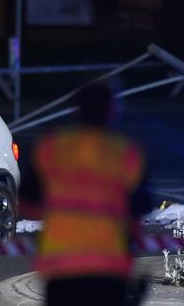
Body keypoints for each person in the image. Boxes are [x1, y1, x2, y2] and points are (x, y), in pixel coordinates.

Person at [32, 81, 152, 305]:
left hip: (61, 268)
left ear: (77, 109)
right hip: (108, 268)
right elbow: (139, 210)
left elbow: (28, 204)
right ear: (112, 110)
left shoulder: (51, 147)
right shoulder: (127, 152)